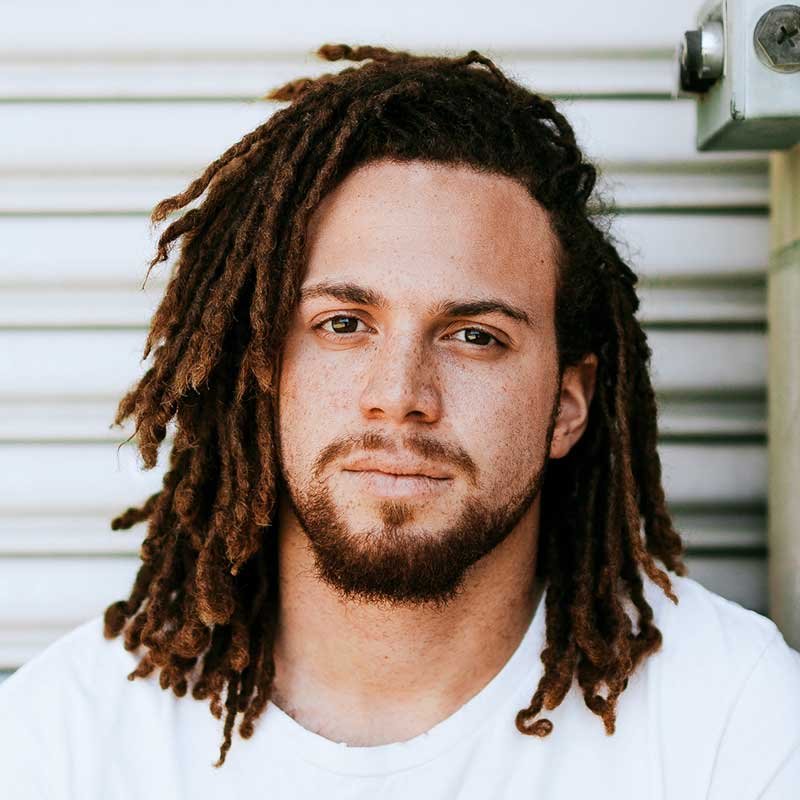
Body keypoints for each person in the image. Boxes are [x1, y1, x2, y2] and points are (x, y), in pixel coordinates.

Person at [1, 43, 798, 799]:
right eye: (344, 324)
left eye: (475, 336)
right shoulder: (64, 741)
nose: (400, 393)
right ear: (262, 372)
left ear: (567, 403)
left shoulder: (730, 719)